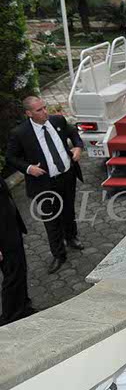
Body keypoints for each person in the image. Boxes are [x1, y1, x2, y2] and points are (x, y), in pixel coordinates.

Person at [7, 96, 84, 274]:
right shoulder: (20, 133)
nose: (45, 112)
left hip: (67, 176)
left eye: (44, 107)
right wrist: (28, 168)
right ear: (29, 113)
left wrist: (78, 147)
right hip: (43, 183)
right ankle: (58, 254)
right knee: (51, 219)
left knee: (68, 210)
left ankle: (71, 237)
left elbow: (73, 132)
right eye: (39, 110)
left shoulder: (57, 121)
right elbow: (11, 157)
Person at [0, 176, 33, 326]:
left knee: (20, 270)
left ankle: (23, 307)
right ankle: (9, 318)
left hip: (10, 228)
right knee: (12, 276)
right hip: (3, 239)